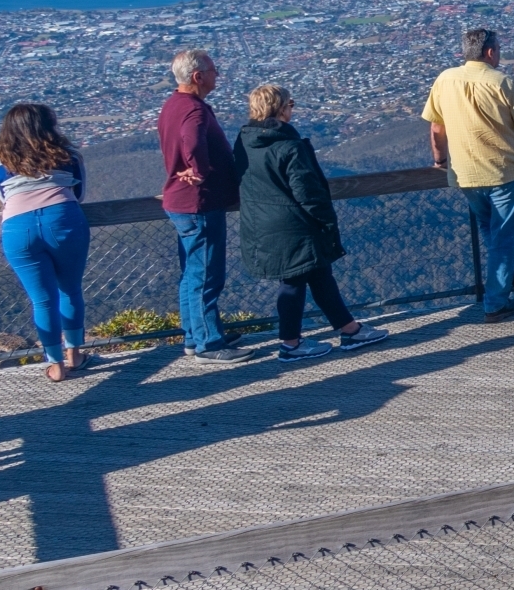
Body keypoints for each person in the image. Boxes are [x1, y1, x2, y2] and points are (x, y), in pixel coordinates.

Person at [233, 83, 390, 362]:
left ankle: (350, 330)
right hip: (294, 225)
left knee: (319, 274)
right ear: (281, 108)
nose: (292, 108)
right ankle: (290, 344)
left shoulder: (244, 142)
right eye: (290, 104)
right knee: (293, 282)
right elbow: (307, 191)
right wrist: (326, 220)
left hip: (260, 224)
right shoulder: (289, 146)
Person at [421, 28, 514, 321]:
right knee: (504, 237)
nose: (499, 53)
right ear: (489, 52)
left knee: (492, 232)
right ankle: (495, 303)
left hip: (464, 175)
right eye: (498, 48)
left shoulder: (445, 80)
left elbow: (436, 128)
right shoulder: (503, 83)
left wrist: (439, 160)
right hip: (502, 172)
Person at [0, 103, 92, 380]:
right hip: (63, 221)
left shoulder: (0, 161)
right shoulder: (68, 155)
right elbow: (79, 194)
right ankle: (75, 355)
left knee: (42, 301)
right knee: (70, 291)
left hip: (18, 228)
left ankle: (55, 366)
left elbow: (3, 197)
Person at [162, 48, 249, 362]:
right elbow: (193, 141)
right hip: (199, 203)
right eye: (213, 71)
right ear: (197, 76)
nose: (217, 76)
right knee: (206, 274)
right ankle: (209, 344)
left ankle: (194, 334)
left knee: (191, 274)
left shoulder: (172, 105)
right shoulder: (194, 110)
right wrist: (198, 170)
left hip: (179, 202)